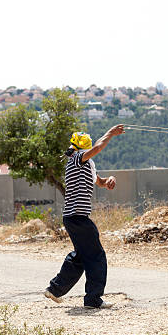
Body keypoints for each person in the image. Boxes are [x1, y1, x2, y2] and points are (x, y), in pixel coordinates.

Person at [44, 124, 125, 309]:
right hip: (78, 217)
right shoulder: (76, 159)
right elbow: (97, 148)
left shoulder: (87, 165)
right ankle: (93, 299)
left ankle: (55, 289)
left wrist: (110, 180)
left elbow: (101, 182)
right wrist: (110, 133)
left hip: (73, 217)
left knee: (81, 256)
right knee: (96, 255)